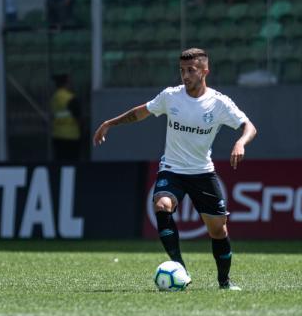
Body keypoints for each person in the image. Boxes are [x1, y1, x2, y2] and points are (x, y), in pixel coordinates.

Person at [93, 48, 257, 291]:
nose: (185, 75)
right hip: (172, 168)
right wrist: (110, 123)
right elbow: (140, 113)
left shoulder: (219, 103)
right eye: (182, 70)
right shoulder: (171, 96)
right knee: (161, 205)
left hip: (202, 172)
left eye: (191, 70)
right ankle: (179, 267)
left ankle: (225, 282)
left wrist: (240, 142)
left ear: (204, 71)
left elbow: (249, 127)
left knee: (218, 230)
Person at [50, 73, 81, 161]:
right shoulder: (70, 98)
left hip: (57, 135)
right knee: (71, 162)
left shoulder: (54, 97)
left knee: (60, 161)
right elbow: (78, 117)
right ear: (66, 83)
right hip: (71, 136)